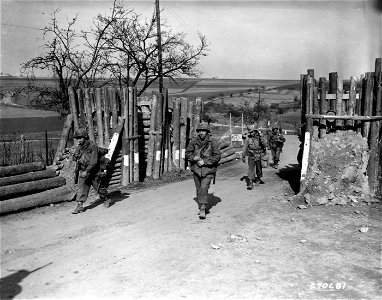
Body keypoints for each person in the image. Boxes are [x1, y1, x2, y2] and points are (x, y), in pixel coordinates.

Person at [185, 122, 221, 219]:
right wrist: (194, 158)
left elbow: (217, 156)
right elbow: (188, 153)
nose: (201, 133)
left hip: (208, 170)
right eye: (199, 131)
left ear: (207, 132)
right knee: (198, 189)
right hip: (196, 169)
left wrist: (204, 162)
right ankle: (202, 205)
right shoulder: (194, 141)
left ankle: (202, 208)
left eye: (203, 131)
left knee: (203, 188)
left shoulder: (213, 142)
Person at [71, 128, 111, 214]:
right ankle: (80, 205)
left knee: (99, 188)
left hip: (94, 171)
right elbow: (75, 159)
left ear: (85, 137)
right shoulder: (79, 147)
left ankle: (106, 198)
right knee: (82, 188)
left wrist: (87, 171)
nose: (79, 140)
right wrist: (75, 156)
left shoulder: (93, 146)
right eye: (77, 138)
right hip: (83, 170)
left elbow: (94, 161)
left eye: (80, 138)